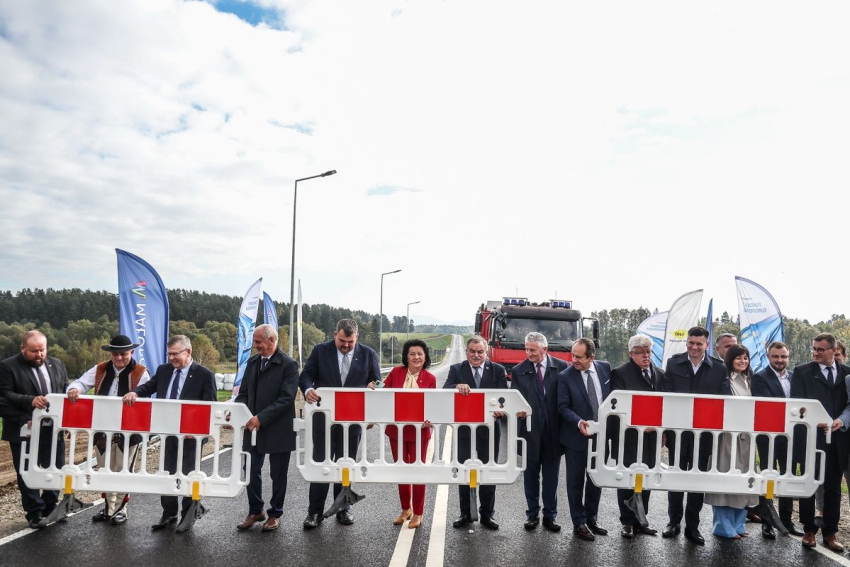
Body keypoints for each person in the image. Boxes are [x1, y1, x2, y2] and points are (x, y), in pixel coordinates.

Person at [122, 335, 217, 534]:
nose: (171, 358)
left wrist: (200, 432)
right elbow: (150, 386)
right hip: (167, 432)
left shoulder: (204, 375)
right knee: (167, 473)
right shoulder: (164, 370)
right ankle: (169, 514)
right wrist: (136, 393)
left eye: (175, 354)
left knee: (188, 474)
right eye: (169, 354)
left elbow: (210, 407)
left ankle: (187, 515)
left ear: (188, 352)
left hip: (191, 436)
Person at [299, 318, 380, 529]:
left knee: (346, 466)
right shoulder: (320, 350)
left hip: (352, 423)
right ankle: (314, 513)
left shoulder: (369, 354)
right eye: (342, 341)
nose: (345, 346)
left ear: (357, 338)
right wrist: (308, 390)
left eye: (350, 342)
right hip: (324, 421)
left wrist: (374, 387)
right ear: (335, 334)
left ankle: (343, 509)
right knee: (321, 466)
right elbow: (306, 376)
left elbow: (378, 381)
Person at [67, 334, 150, 526]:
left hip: (128, 430)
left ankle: (121, 509)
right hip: (102, 428)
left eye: (123, 354)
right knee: (104, 468)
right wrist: (74, 389)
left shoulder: (140, 372)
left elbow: (145, 394)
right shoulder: (101, 369)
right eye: (115, 354)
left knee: (123, 470)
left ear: (131, 352)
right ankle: (108, 507)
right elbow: (81, 382)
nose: (119, 358)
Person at [659, 326, 731, 545]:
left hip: (705, 434)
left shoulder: (719, 368)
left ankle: (693, 527)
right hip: (678, 433)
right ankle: (674, 522)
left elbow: (724, 399)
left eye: (699, 343)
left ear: (707, 345)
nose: (694, 347)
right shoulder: (674, 363)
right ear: (687, 342)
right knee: (676, 478)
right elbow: (667, 397)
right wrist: (665, 430)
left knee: (697, 480)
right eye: (691, 342)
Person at [0, 330, 68, 529]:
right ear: (22, 348)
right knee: (26, 472)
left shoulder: (57, 364)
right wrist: (28, 409)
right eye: (33, 351)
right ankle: (34, 513)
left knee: (54, 467)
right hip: (23, 429)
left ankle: (50, 508)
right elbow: (3, 397)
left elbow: (63, 389)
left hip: (53, 429)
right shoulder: (7, 367)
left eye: (42, 350)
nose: (39, 354)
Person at [234, 324, 298, 533]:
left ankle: (275, 513)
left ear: (272, 341)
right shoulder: (252, 363)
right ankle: (256, 510)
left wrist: (262, 417)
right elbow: (243, 393)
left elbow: (287, 398)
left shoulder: (288, 364)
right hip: (252, 427)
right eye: (255, 342)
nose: (255, 346)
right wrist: (235, 411)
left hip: (278, 427)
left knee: (278, 474)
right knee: (250, 471)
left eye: (258, 342)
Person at [792, 333, 850, 552]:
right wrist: (814, 420)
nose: (815, 353)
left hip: (838, 440)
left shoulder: (847, 373)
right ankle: (809, 531)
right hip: (810, 439)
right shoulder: (802, 371)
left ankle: (830, 533)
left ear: (833, 351)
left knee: (834, 488)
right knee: (810, 484)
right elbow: (797, 403)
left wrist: (839, 422)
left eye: (820, 349)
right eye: (813, 349)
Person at [444, 335, 508, 530]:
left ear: (486, 352)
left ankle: (487, 515)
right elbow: (445, 390)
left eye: (480, 352)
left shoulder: (497, 370)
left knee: (488, 472)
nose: (476, 355)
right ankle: (465, 514)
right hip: (464, 430)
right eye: (472, 351)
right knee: (464, 471)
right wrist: (456, 386)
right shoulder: (457, 369)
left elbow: (504, 398)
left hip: (489, 431)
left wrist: (500, 409)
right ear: (467, 352)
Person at [511, 332, 568, 532]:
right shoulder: (519, 370)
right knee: (531, 476)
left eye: (532, 350)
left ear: (545, 349)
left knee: (552, 477)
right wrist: (516, 410)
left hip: (554, 432)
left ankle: (550, 516)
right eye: (526, 349)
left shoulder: (561, 367)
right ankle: (532, 514)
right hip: (529, 432)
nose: (528, 353)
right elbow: (515, 397)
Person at [610, 334, 664, 538]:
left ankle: (642, 519)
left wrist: (661, 428)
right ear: (631, 353)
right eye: (641, 352)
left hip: (651, 438)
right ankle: (627, 522)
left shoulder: (659, 374)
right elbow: (619, 405)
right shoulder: (620, 373)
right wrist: (640, 423)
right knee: (628, 478)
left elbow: (664, 404)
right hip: (628, 438)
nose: (646, 356)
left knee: (646, 477)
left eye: (648, 351)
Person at [557, 337, 611, 542]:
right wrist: (579, 422)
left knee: (596, 480)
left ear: (592, 357)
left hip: (602, 436)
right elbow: (563, 407)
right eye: (572, 355)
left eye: (578, 357)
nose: (574, 360)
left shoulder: (605, 369)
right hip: (576, 437)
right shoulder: (565, 376)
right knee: (575, 482)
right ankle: (579, 522)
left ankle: (592, 518)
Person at [705, 345, 759, 538]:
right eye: (738, 358)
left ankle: (739, 525)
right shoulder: (726, 379)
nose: (743, 361)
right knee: (725, 480)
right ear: (730, 359)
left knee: (744, 480)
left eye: (745, 358)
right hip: (727, 436)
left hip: (747, 437)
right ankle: (723, 526)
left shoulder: (750, 380)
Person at [750, 341, 804, 537]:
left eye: (783, 356)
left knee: (788, 476)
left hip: (791, 436)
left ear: (788, 357)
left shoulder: (794, 377)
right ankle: (767, 522)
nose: (780, 360)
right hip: (769, 438)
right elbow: (767, 407)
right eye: (776, 356)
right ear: (768, 357)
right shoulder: (760, 377)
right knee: (768, 478)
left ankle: (787, 520)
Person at [383, 339, 437, 529]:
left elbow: (432, 403)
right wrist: (374, 388)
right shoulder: (396, 372)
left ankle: (418, 512)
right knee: (401, 470)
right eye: (412, 353)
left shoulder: (430, 378)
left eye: (420, 354)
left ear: (425, 356)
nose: (416, 357)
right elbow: (384, 391)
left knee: (417, 471)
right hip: (396, 431)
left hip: (419, 432)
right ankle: (406, 509)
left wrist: (430, 417)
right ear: (406, 356)